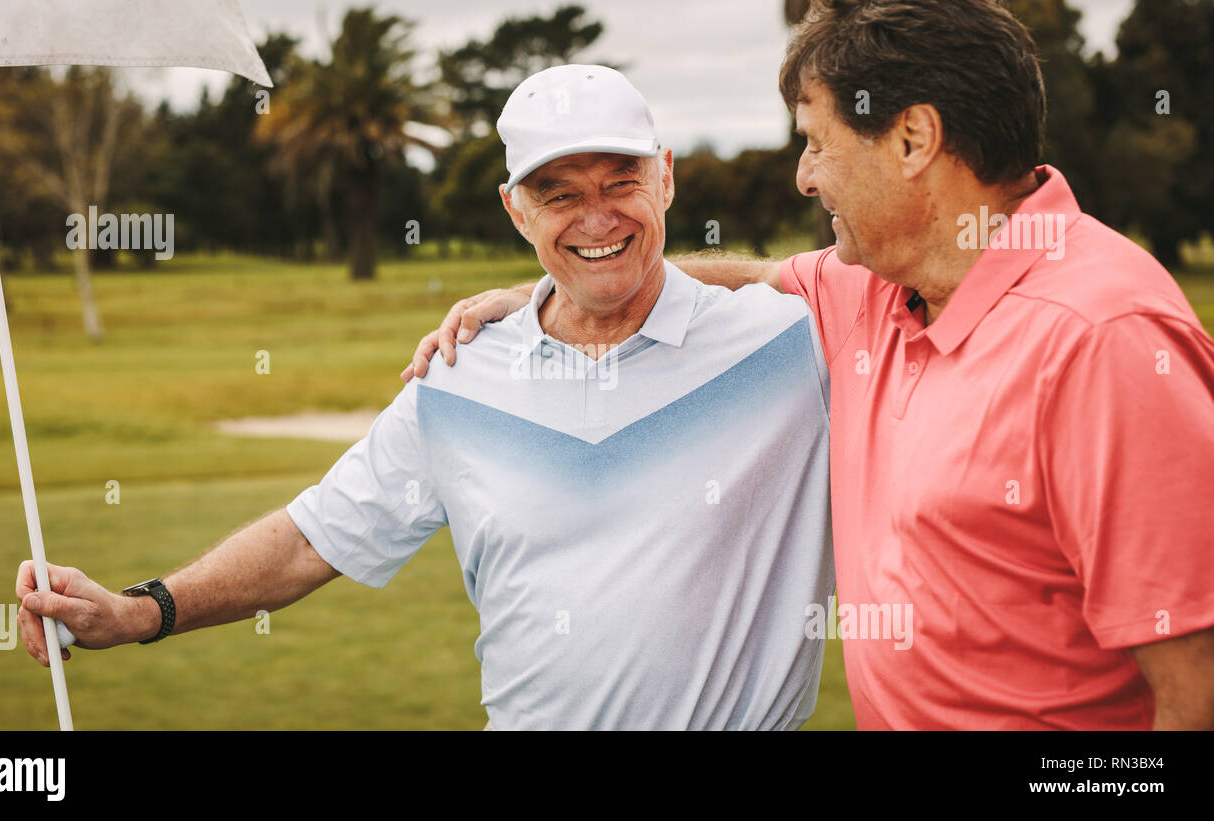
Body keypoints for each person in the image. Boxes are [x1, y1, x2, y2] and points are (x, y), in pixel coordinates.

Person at [402, 0, 1214, 729]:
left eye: (817, 145)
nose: (802, 176)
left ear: (911, 139)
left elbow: (1196, 688)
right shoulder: (872, 287)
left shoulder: (1105, 338)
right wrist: (543, 289)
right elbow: (752, 273)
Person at [16, 64, 835, 730]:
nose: (597, 216)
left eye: (621, 180)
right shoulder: (459, 374)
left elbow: (889, 263)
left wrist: (546, 286)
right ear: (517, 210)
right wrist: (140, 610)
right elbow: (311, 540)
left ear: (666, 180)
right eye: (559, 194)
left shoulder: (790, 341)